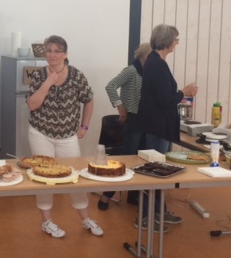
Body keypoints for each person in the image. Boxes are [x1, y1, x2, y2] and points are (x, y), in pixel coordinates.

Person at [26, 35, 102, 238]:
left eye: (57, 51)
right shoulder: (39, 75)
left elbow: (89, 100)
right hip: (40, 133)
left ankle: (85, 218)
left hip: (68, 135)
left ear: (65, 54)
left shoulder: (76, 75)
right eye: (49, 50)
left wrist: (84, 125)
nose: (52, 55)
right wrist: (48, 83)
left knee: (74, 175)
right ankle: (47, 222)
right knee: (43, 176)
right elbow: (32, 105)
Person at [136, 24, 198, 232]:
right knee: (154, 171)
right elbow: (165, 100)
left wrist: (180, 93)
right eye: (176, 40)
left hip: (159, 125)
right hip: (157, 126)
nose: (177, 43)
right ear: (168, 41)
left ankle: (159, 211)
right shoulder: (157, 64)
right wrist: (184, 92)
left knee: (160, 170)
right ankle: (146, 217)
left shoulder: (155, 62)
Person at [99, 42, 152, 210]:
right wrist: (120, 106)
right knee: (127, 161)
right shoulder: (131, 70)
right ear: (143, 56)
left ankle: (133, 196)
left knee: (142, 162)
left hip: (147, 122)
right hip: (133, 121)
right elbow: (110, 86)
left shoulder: (150, 72)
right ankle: (106, 197)